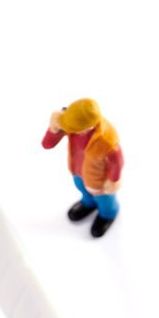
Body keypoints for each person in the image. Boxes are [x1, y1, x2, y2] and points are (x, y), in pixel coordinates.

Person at [43, 98, 123, 238]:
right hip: (77, 171)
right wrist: (53, 128)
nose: (70, 131)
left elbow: (117, 161)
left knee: (104, 199)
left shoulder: (107, 140)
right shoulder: (71, 124)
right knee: (83, 190)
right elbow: (47, 144)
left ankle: (108, 213)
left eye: (74, 129)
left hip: (98, 179)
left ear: (89, 127)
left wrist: (113, 180)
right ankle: (88, 203)